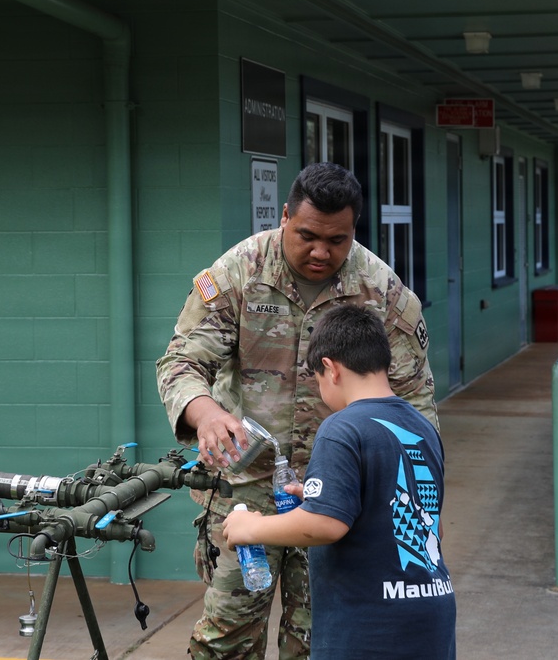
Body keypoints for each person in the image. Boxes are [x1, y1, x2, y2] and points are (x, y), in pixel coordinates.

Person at [156, 162, 438, 659]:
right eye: (307, 235)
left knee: (317, 642)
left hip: (336, 501)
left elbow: (415, 405)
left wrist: (407, 506)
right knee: (225, 640)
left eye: (338, 240)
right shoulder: (240, 271)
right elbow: (182, 360)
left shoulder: (382, 292)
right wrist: (205, 413)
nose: (320, 252)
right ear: (285, 216)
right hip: (245, 498)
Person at [222, 304, 455, 659]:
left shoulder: (341, 428)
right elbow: (402, 504)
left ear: (329, 368)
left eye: (316, 380)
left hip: (368, 629)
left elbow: (326, 525)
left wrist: (250, 528)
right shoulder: (421, 426)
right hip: (430, 614)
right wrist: (327, 496)